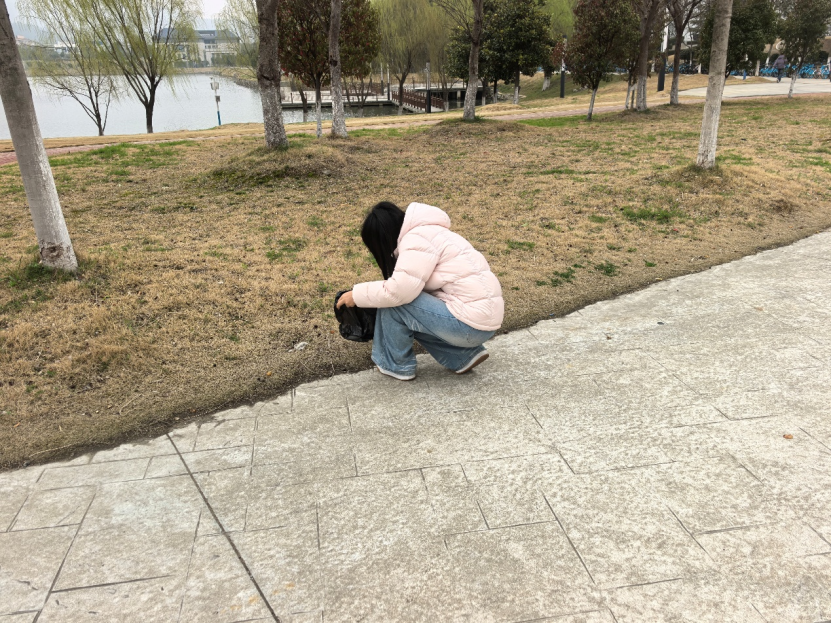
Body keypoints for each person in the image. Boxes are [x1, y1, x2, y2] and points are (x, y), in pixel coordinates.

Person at [337, 201, 504, 381]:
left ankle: (394, 364)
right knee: (410, 312)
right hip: (482, 322)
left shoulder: (416, 240)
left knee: (396, 302)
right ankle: (461, 356)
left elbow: (398, 292)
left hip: (469, 324)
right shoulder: (433, 233)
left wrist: (356, 295)